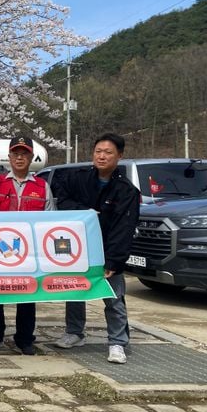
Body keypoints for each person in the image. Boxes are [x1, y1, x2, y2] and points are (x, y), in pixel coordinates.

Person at [53, 133, 139, 364]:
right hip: (77, 249)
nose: (102, 156)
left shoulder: (126, 190)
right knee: (74, 292)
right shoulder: (78, 178)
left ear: (119, 156)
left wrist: (114, 260)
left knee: (113, 297)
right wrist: (87, 212)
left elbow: (124, 228)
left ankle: (118, 342)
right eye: (98, 151)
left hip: (107, 251)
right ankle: (74, 332)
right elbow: (62, 199)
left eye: (108, 152)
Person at [0, 135, 54, 355]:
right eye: (15, 154)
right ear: (8, 157)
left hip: (29, 252)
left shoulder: (42, 186)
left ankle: (25, 339)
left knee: (28, 294)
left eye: (24, 154)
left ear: (31, 157)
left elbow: (50, 219)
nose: (19, 158)